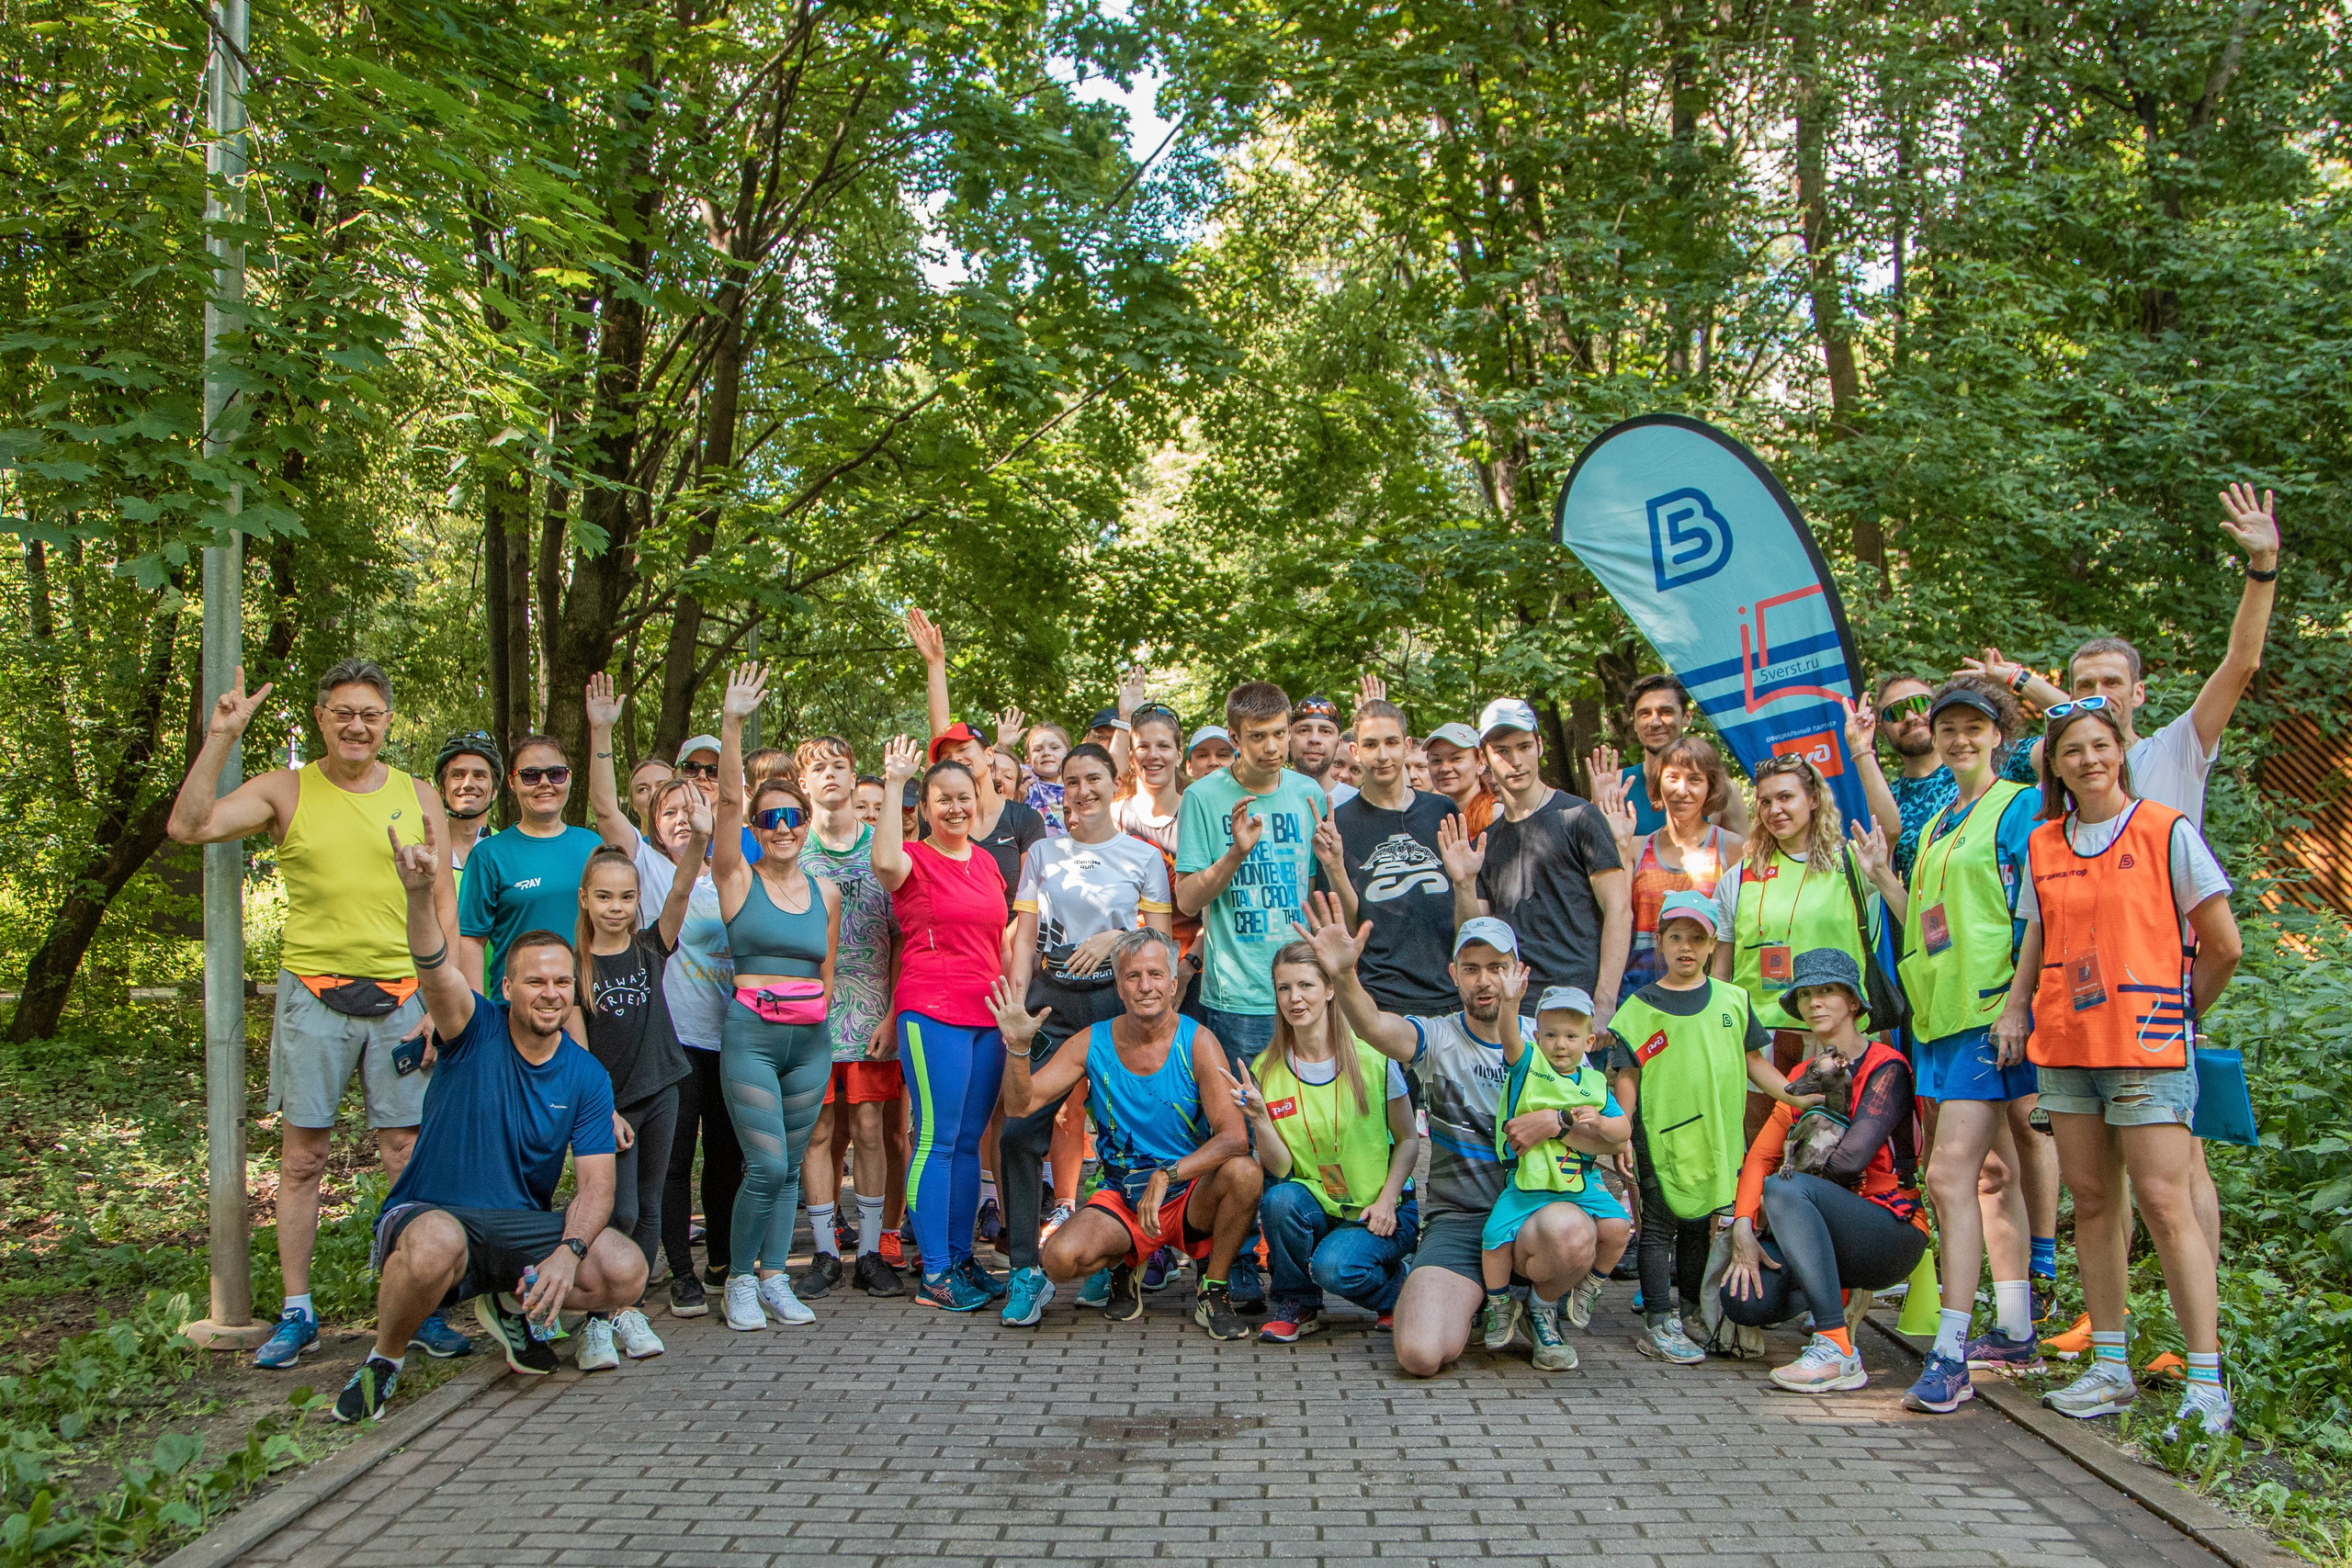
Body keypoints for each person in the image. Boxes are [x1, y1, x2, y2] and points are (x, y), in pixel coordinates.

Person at [166, 659, 468, 1369]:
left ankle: (414, 1301)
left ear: (388, 721)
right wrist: (221, 736)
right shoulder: (285, 789)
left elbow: (446, 904)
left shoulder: (417, 792)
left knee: (406, 1152)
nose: (357, 725)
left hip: (403, 997)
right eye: (343, 713)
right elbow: (189, 825)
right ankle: (298, 1311)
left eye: (370, 713)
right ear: (322, 717)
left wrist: (440, 998)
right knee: (303, 1157)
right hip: (315, 994)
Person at [340, 815, 641, 1422]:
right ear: (508, 986)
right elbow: (433, 966)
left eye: (561, 981)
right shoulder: (471, 1026)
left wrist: (568, 1250)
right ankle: (385, 1359)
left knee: (624, 1271)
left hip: (515, 1225)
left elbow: (597, 1186)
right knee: (436, 1245)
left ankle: (511, 1298)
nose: (551, 992)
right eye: (535, 981)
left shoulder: (585, 1074)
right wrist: (421, 894)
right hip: (433, 1212)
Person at [2001, 696, 2243, 1436]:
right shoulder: (2043, 843)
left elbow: (2223, 943)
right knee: (2094, 1200)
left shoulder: (2166, 829)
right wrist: (2016, 1009)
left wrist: (2181, 1011)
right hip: (2069, 1047)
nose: (2089, 759)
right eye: (2073, 749)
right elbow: (2036, 940)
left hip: (2148, 1049)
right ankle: (2110, 1365)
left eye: (2100, 745)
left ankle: (2206, 1381)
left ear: (2120, 749)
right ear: (2056, 763)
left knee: (2166, 1202)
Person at [1850, 677, 2047, 1412]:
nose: (1961, 739)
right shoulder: (1934, 828)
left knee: (1948, 1175)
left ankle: (1950, 1350)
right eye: (1949, 728)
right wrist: (1883, 881)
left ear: (2000, 734)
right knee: (1986, 1176)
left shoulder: (2019, 804)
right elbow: (1927, 919)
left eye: (1975, 727)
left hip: (1990, 1015)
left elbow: (2036, 911)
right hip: (1936, 1019)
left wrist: (2019, 1004)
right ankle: (2016, 1325)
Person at [1315, 908, 1608, 1376]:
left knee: (1574, 1232)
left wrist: (1555, 1120)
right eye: (1471, 969)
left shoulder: (1551, 1037)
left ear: (1518, 972)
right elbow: (1371, 1026)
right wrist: (1345, 974)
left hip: (1537, 1214)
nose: (1484, 981)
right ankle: (1480, 1300)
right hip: (1462, 1220)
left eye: (1497, 967)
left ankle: (1539, 1307)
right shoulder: (1438, 1037)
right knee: (1419, 1355)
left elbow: (1603, 1137)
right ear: (1454, 975)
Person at [992, 930, 1265, 1340]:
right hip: (1125, 1196)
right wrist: (1017, 1048)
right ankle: (1127, 1262)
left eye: (1156, 974)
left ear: (1174, 983)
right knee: (1059, 1259)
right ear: (1118, 987)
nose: (1145, 986)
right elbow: (1020, 1105)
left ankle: (1214, 1291)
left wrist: (1167, 1175)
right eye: (1133, 976)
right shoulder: (1093, 1041)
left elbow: (1233, 1139)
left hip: (1189, 1194)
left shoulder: (1198, 1041)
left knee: (1245, 1174)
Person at [1000, 743, 1175, 1325]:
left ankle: (1114, 1264)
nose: (1082, 790)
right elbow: (1025, 934)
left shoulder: (1144, 857)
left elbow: (1164, 944)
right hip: (1051, 1001)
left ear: (1114, 782)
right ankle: (1025, 1269)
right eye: (1072, 781)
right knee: (1020, 1132)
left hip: (1115, 1001)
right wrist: (1017, 1004)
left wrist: (1120, 936)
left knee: (1122, 1134)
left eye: (1093, 778)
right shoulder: (1043, 853)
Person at [583, 683, 741, 1318]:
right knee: (672, 1165)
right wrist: (600, 733)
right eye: (668, 808)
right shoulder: (645, 868)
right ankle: (677, 1270)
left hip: (729, 1036)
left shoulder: (732, 869)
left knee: (726, 1159)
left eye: (691, 805)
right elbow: (601, 808)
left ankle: (723, 1264)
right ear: (652, 822)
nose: (680, 815)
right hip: (668, 1044)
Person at [1599, 892, 1805, 1364]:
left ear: (1714, 944)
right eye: (1675, 937)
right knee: (1657, 1226)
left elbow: (1756, 1064)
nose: (1686, 947)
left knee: (1699, 1226)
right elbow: (1627, 1077)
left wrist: (1796, 1097)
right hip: (1660, 1135)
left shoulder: (1734, 1001)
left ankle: (1692, 1311)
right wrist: (1623, 1131)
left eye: (1697, 937)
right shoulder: (1639, 1008)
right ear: (1660, 943)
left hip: (1716, 1137)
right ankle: (1657, 1320)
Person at [1719, 949, 1928, 1393]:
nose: (1815, 1003)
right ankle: (1834, 1295)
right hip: (1819, 1220)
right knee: (1744, 1299)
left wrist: (1782, 1208)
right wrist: (1742, 1227)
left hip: (1889, 1229)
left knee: (1786, 1189)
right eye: (1807, 994)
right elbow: (1760, 1157)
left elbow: (1851, 1160)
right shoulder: (1801, 1073)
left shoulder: (1887, 1065)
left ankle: (1836, 1348)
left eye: (1828, 992)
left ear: (1853, 1002)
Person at [707, 664, 841, 1330]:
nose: (781, 826)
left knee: (789, 1168)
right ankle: (736, 1279)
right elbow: (727, 805)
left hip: (810, 1040)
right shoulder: (735, 876)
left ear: (807, 822)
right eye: (770, 818)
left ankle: (773, 1278)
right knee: (762, 1164)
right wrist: (732, 724)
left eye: (792, 816)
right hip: (753, 1037)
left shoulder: (828, 892)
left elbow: (830, 971)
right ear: (756, 827)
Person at [872, 734, 1013, 1311]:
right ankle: (934, 1273)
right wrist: (893, 782)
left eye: (964, 797)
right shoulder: (913, 858)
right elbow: (882, 861)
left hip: (987, 1015)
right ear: (925, 809)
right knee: (935, 1136)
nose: (956, 808)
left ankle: (960, 1260)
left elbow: (998, 940)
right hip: (932, 1010)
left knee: (966, 1143)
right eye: (942, 801)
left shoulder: (984, 861)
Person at [564, 831, 705, 1368]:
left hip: (661, 1090)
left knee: (647, 1207)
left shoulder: (650, 948)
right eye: (604, 897)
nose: (616, 907)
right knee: (612, 1209)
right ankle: (596, 1320)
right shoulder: (576, 965)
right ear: (585, 899)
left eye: (626, 897)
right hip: (608, 1109)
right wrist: (606, 1112)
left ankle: (629, 1306)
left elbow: (683, 889)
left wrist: (701, 837)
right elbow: (578, 1056)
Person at [1238, 940, 1419, 1343]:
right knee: (1278, 1199)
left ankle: (1400, 1293)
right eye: (1283, 988)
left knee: (1335, 1268)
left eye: (1305, 985)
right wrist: (1260, 1121)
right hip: (1318, 1206)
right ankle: (1298, 1303)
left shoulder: (1374, 1055)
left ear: (1330, 989)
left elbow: (1409, 1141)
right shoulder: (1265, 1068)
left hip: (1381, 1209)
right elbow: (1282, 1169)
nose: (1294, 998)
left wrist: (1389, 1199)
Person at [1709, 752, 1879, 1143]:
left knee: (1842, 1146)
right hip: (1763, 1040)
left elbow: (1892, 830)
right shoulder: (1739, 878)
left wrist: (1862, 751)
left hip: (1838, 1033)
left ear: (1814, 799)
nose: (1775, 810)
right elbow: (1721, 970)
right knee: (1763, 1150)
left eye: (1786, 797)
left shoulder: (1851, 863)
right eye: (1765, 801)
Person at [792, 735, 905, 1302]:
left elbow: (902, 940)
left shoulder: (878, 848)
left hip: (870, 1015)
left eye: (841, 765)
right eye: (819, 768)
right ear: (804, 782)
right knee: (817, 1131)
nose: (831, 775)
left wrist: (892, 1010)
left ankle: (871, 1250)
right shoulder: (792, 850)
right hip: (806, 1016)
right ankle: (823, 1250)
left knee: (868, 1129)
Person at [1438, 698, 1630, 1032]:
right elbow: (1475, 936)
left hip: (1575, 1003)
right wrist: (1464, 882)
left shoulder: (1580, 817)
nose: (1515, 761)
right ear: (1484, 759)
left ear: (1540, 746)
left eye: (1524, 746)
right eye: (1502, 751)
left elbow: (1619, 909)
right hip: (1513, 1005)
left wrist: (1604, 1002)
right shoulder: (1487, 840)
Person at [1175, 682, 1334, 1066]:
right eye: (1258, 737)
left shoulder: (1307, 792)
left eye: (1280, 734)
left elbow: (1311, 892)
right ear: (1234, 737)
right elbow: (1187, 899)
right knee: (1252, 1117)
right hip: (1240, 996)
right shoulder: (1202, 796)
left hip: (1304, 988)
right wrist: (1236, 854)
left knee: (1306, 1115)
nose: (1272, 748)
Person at [1476, 985, 1631, 1358]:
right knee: (1493, 1238)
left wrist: (1603, 1124)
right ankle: (1499, 1305)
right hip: (1529, 1183)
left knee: (1618, 1228)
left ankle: (1590, 1283)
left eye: (1571, 1036)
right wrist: (1509, 1002)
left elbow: (1622, 1131)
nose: (1560, 1045)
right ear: (1537, 1037)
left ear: (1590, 1041)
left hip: (1581, 1182)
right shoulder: (1529, 1065)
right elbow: (1508, 1037)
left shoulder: (1594, 1084)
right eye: (1551, 1035)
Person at [1321, 697, 1457, 1021]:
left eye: (1391, 742)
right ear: (1355, 751)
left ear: (1408, 747)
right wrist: (1334, 866)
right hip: (1381, 999)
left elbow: (1465, 905)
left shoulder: (1443, 812)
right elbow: (1349, 929)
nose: (1382, 755)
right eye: (1370, 745)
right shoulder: (1338, 825)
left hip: (1451, 993)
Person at [1592, 734, 1742, 994]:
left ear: (1711, 787)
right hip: (1641, 996)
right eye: (1672, 778)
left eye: (1694, 779)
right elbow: (1612, 912)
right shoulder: (1635, 849)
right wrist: (1614, 839)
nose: (1682, 790)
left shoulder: (1734, 849)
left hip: (1707, 997)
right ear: (1658, 784)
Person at [458, 736, 601, 990]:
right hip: (518, 1008)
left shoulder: (592, 844)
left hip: (590, 997)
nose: (544, 783)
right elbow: (471, 941)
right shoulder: (488, 854)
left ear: (569, 777)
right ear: (512, 782)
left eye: (556, 774)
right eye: (531, 775)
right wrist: (477, 1015)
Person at [1591, 675, 1750, 839]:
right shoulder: (1615, 785)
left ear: (1687, 717)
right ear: (1635, 724)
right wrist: (1595, 815)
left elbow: (1746, 859)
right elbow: (1591, 855)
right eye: (1644, 714)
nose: (1655, 722)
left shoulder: (1721, 789)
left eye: (1666, 712)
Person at [433, 731, 501, 889]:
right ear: (442, 789)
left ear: (494, 791)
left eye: (479, 775)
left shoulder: (508, 851)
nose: (468, 783)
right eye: (458, 775)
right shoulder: (422, 847)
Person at [1422, 721, 1495, 836]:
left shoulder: (1495, 816)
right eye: (1436, 760)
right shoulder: (1427, 817)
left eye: (1456, 758)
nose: (1444, 768)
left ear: (1480, 763)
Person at [1289, 694, 1353, 805]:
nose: (1314, 739)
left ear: (1338, 744)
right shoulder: (1263, 797)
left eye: (1325, 731)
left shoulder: (1356, 803)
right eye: (1304, 730)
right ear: (1288, 739)